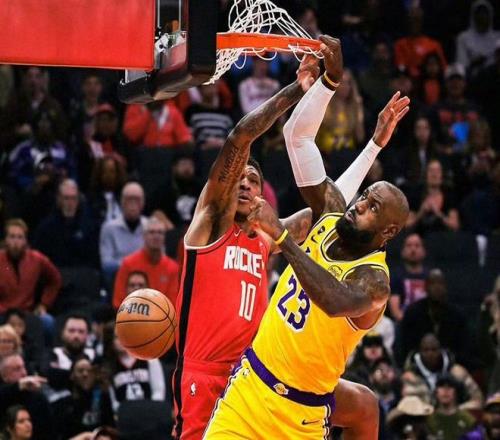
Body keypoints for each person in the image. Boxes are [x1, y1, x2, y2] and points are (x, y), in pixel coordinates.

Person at [173, 38, 398, 439]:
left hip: (273, 381)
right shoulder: (210, 225)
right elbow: (244, 138)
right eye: (239, 178)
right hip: (217, 377)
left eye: (254, 179)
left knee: (364, 405)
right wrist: (305, 87)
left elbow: (334, 208)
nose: (245, 183)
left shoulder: (270, 237)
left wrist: (374, 146)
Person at [0, 219, 61, 344]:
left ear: (25, 241)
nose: (15, 242)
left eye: (20, 237)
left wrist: (44, 304)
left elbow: (55, 280)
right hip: (2, 313)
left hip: (27, 313)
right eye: (12, 237)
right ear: (5, 240)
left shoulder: (37, 259)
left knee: (48, 322)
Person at [402, 333, 483, 411]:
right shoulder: (410, 377)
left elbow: (477, 399)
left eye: (434, 349)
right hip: (422, 416)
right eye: (426, 350)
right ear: (420, 351)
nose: (430, 354)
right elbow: (407, 406)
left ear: (440, 350)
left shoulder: (458, 373)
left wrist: (455, 411)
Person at [399, 270, 467, 362]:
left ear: (446, 287)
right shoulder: (413, 313)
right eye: (433, 283)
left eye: (440, 283)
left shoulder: (457, 315)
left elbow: (463, 347)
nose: (437, 287)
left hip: (450, 363)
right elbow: (406, 347)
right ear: (426, 287)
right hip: (418, 363)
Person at [112, 216, 179, 309]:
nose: (156, 236)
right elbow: (118, 301)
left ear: (165, 237)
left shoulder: (173, 268)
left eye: (160, 232)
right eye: (151, 232)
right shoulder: (128, 264)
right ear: (144, 236)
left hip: (162, 316)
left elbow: (173, 304)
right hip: (131, 315)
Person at [99, 324, 165, 415]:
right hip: (126, 417)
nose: (122, 340)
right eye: (116, 337)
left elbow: (158, 392)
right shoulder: (109, 368)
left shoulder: (149, 359)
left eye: (124, 335)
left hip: (151, 414)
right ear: (110, 342)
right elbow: (114, 402)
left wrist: (151, 411)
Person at [34, 179, 98, 268]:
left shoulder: (88, 226)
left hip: (82, 272)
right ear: (59, 199)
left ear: (78, 199)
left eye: (73, 198)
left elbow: (93, 258)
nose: (70, 203)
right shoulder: (46, 228)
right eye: (66, 198)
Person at [99, 182, 147, 286]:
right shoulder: (109, 228)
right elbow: (106, 263)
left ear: (143, 203)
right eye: (129, 199)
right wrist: (131, 267)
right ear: (122, 202)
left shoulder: (150, 227)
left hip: (146, 280)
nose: (133, 203)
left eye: (137, 199)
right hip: (117, 279)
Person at [0, 354, 54, 440]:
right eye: (17, 369)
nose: (24, 373)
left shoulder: (38, 398)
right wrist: (18, 386)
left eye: (23, 367)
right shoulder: (3, 396)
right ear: (4, 376)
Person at [389, 233, 428, 322]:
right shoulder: (396, 276)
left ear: (424, 251)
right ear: (402, 251)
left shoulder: (429, 276)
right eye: (409, 246)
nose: (413, 249)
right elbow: (395, 312)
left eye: (417, 246)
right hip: (404, 323)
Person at [426, 373, 476, 440]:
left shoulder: (467, 419)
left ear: (456, 392)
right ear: (436, 392)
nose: (445, 390)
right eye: (441, 386)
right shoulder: (429, 420)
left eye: (450, 386)